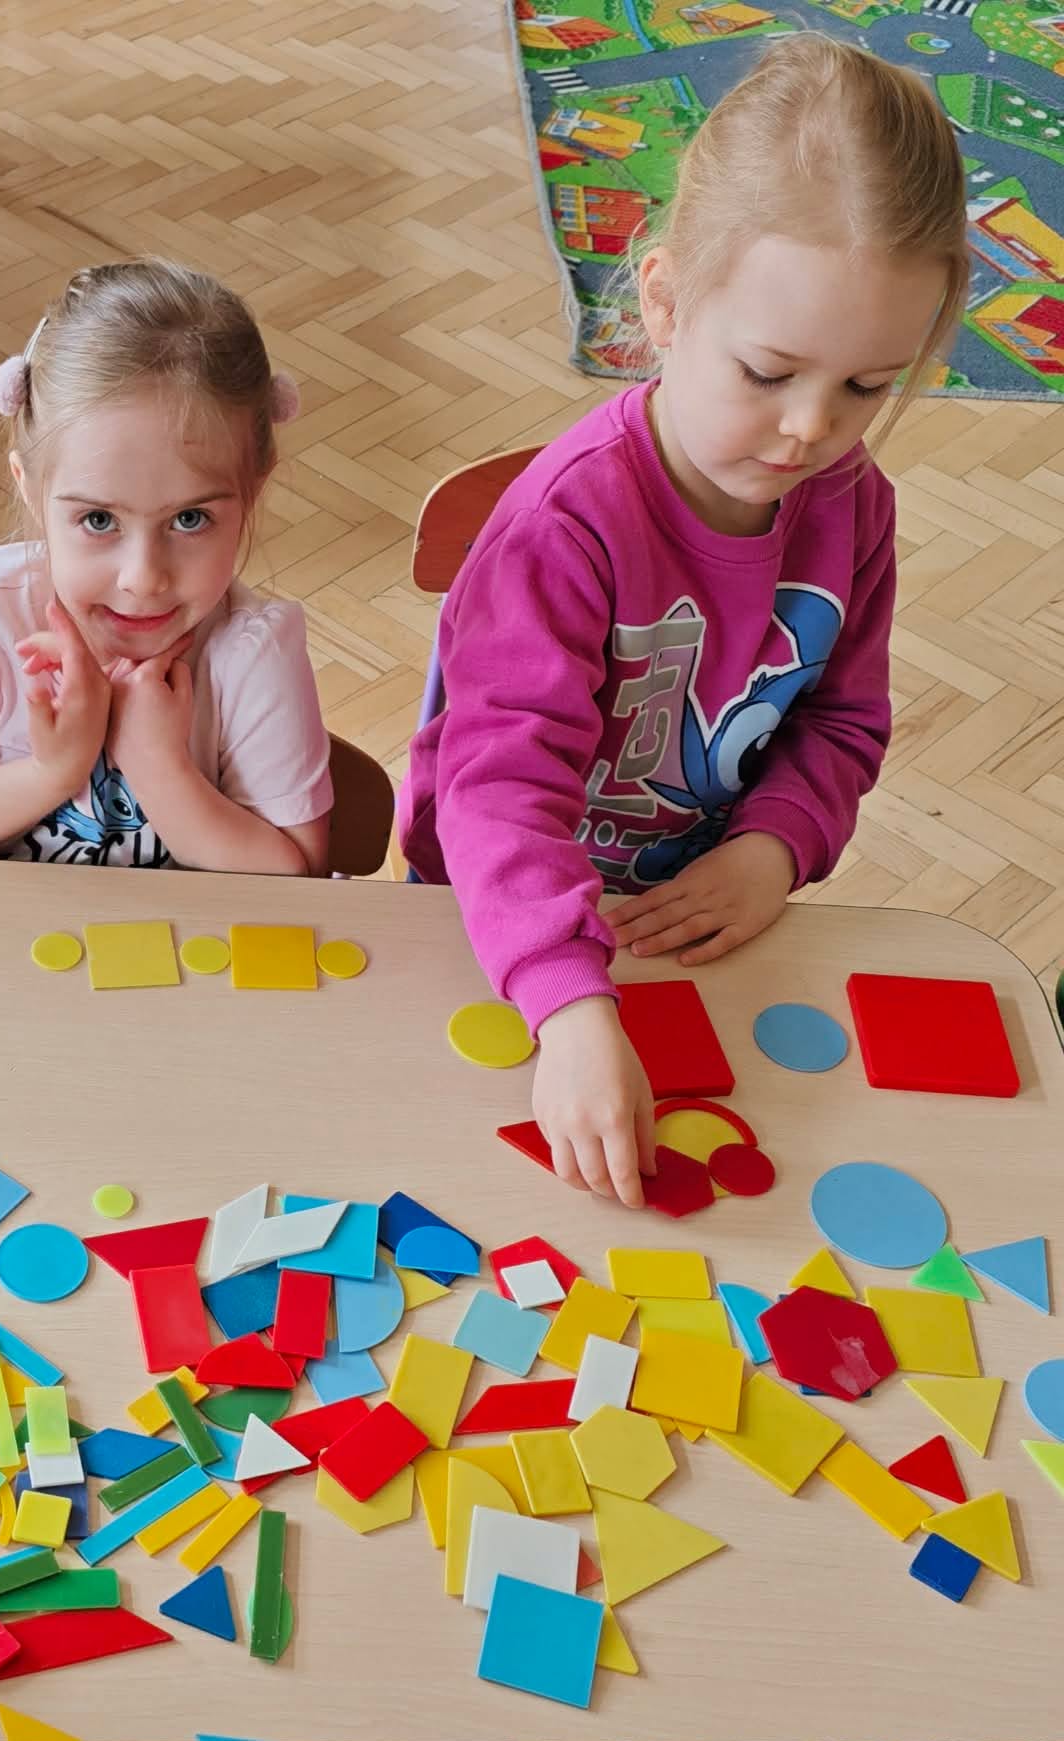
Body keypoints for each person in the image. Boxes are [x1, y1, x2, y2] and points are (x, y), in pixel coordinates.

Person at [400, 35, 968, 1204]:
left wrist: (772, 848)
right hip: (502, 930)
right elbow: (495, 786)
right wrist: (565, 1004)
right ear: (661, 303)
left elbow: (840, 723)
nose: (809, 427)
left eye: (865, 386)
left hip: (694, 924)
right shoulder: (562, 527)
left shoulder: (852, 509)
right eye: (767, 371)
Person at [0, 258, 331, 873]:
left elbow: (298, 873)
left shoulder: (252, 654)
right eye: (97, 520)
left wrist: (159, 768)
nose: (143, 579)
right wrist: (52, 770)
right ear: (31, 488)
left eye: (190, 518)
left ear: (253, 488)